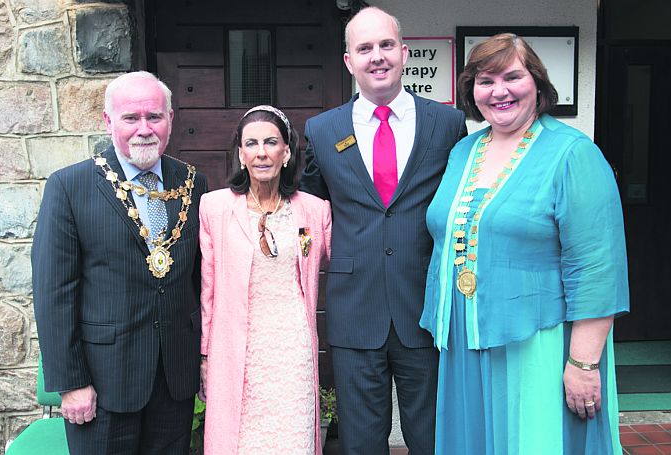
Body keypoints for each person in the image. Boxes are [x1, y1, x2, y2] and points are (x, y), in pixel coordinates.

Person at [420, 33, 629, 454]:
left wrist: (583, 364)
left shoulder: (572, 153)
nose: (499, 91)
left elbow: (597, 267)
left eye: (512, 76)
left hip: (538, 342)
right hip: (465, 338)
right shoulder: (464, 150)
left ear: (536, 82)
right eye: (485, 80)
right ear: (471, 91)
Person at [300, 7, 466, 454]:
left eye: (386, 45)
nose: (377, 57)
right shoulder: (321, 130)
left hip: (426, 309)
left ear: (405, 52)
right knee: (361, 441)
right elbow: (308, 211)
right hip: (355, 308)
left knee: (432, 436)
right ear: (348, 61)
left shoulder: (448, 124)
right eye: (365, 48)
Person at [32, 71, 207, 454]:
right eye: (131, 118)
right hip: (102, 383)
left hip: (173, 379)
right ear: (108, 121)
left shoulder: (194, 184)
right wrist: (71, 383)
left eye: (154, 117)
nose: (144, 129)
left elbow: (201, 281)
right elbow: (53, 293)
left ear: (171, 120)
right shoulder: (70, 186)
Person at [198, 105, 331, 454]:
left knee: (292, 440)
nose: (261, 152)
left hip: (293, 350)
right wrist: (204, 354)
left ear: (286, 152)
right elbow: (207, 289)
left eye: (271, 142)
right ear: (240, 154)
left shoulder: (314, 211)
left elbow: (348, 268)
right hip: (237, 349)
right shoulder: (214, 208)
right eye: (251, 143)